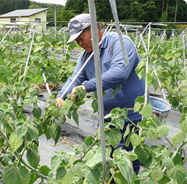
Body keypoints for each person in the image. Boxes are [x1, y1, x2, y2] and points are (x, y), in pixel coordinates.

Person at [56, 14, 145, 174]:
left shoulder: (120, 43)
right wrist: (62, 95)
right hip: (106, 116)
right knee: (105, 157)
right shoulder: (87, 55)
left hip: (130, 116)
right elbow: (75, 77)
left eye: (81, 38)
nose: (80, 43)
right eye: (76, 41)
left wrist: (86, 87)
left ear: (94, 30)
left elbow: (120, 72)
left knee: (126, 162)